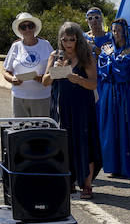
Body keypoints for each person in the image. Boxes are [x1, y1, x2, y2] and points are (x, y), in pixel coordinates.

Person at [43, 21, 101, 198]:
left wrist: (77, 79)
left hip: (83, 107)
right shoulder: (56, 55)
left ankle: (87, 184)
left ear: (78, 39)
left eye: (72, 39)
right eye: (64, 39)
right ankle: (68, 181)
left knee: (86, 144)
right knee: (64, 145)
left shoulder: (86, 55)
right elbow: (45, 81)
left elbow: (93, 84)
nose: (68, 43)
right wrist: (55, 71)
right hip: (62, 107)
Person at [97, 18, 130, 178]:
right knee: (110, 128)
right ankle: (113, 166)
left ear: (125, 31)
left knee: (127, 126)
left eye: (118, 30)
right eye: (113, 30)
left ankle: (128, 166)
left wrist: (112, 59)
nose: (115, 33)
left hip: (126, 93)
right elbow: (104, 69)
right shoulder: (107, 48)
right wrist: (113, 59)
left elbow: (123, 71)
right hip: (109, 93)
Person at [3, 13, 54, 119]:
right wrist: (12, 79)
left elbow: (55, 69)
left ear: (35, 28)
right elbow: (5, 71)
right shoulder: (15, 46)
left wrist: (44, 78)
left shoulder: (45, 45)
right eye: (23, 27)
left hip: (42, 97)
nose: (27, 29)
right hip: (19, 97)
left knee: (41, 131)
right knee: (22, 132)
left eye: (30, 26)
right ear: (19, 30)